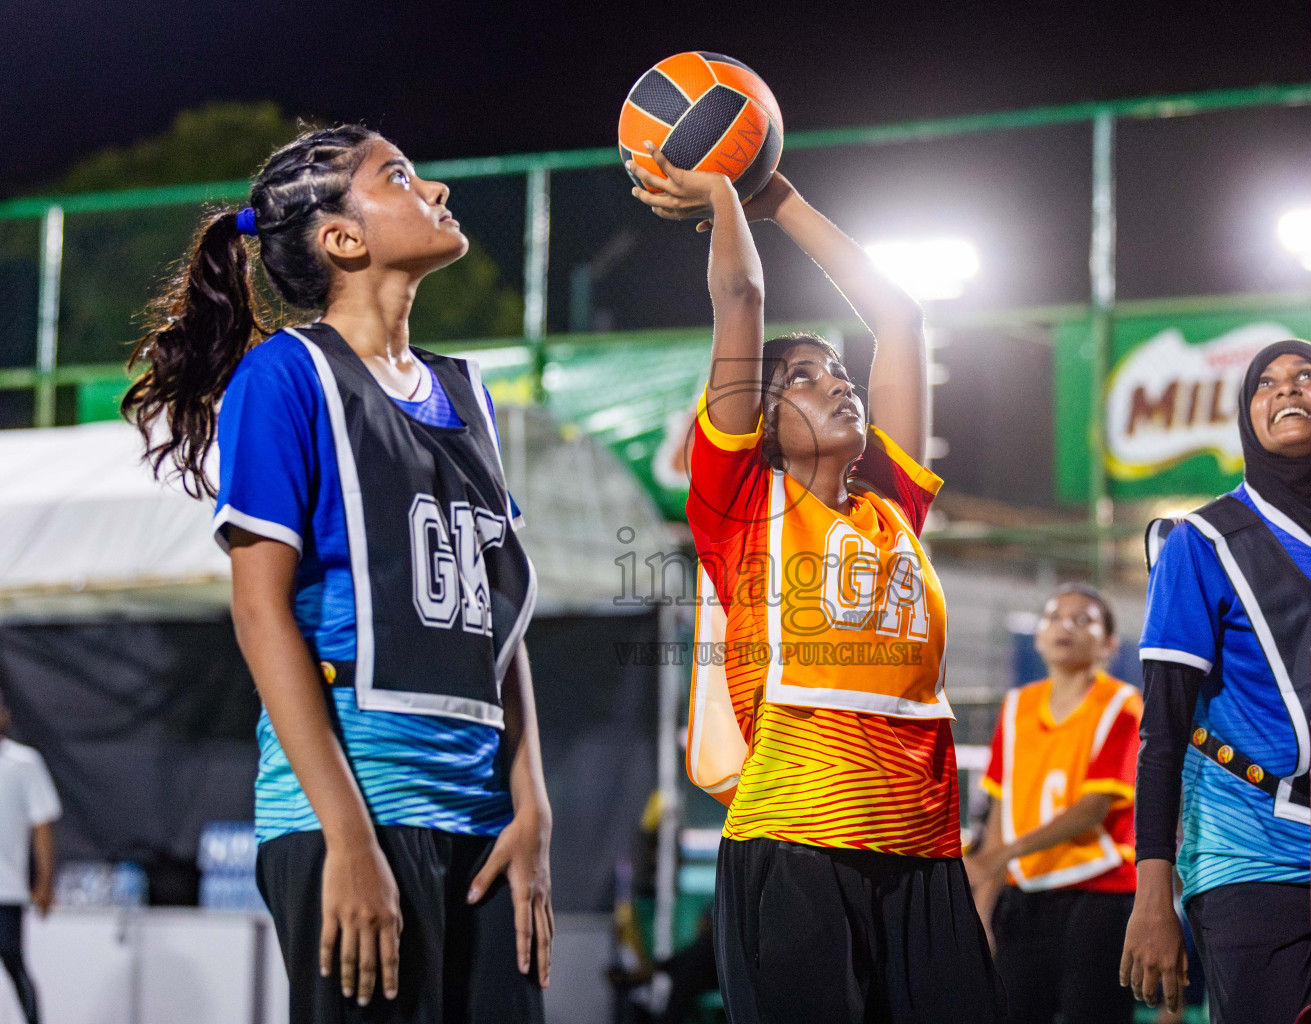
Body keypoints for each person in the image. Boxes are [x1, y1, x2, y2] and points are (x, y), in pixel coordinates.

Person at [121, 125, 552, 1024]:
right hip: (354, 820)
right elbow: (258, 612)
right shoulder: (285, 378)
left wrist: (534, 809)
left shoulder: (467, 396)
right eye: (398, 175)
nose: (435, 186)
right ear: (342, 239)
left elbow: (496, 626)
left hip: (486, 827)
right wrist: (347, 839)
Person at [628, 145, 1006, 1024]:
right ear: (758, 422)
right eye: (801, 376)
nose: (835, 381)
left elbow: (901, 319)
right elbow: (742, 299)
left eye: (837, 371)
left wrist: (785, 200)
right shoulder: (739, 505)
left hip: (922, 844)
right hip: (795, 840)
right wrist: (723, 190)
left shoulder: (895, 508)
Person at [1120, 340, 1311, 1023]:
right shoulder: (1200, 543)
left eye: (1306, 377)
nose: (1288, 390)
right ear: (1246, 412)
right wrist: (1155, 896)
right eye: (1266, 384)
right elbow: (1162, 733)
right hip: (1250, 860)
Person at [966, 583, 1141, 1024]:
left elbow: (1092, 808)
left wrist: (997, 857)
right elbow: (1002, 815)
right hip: (1024, 896)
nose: (1065, 625)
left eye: (1083, 619)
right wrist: (984, 913)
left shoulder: (1122, 704)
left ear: (1108, 644)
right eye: (1053, 616)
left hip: (1099, 894)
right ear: (1038, 636)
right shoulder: (1016, 707)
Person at [0, 695, 58, 1024]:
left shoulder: (24, 763)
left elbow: (42, 825)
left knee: (12, 961)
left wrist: (45, 881)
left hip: (6, 889)